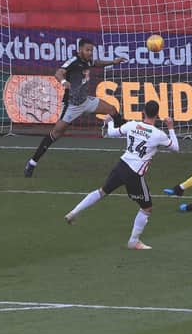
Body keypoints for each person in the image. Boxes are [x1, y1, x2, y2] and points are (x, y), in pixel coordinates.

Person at [64, 100, 179, 250]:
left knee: (102, 191)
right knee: (147, 208)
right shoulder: (158, 134)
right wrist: (170, 128)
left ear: (143, 112)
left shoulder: (132, 125)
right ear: (157, 115)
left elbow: (111, 133)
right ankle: (133, 241)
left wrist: (110, 121)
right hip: (135, 174)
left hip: (121, 165)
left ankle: (74, 212)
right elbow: (176, 148)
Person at [24, 38, 126, 177]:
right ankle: (32, 163)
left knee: (112, 109)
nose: (90, 52)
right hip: (72, 105)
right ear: (80, 50)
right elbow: (58, 73)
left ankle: (125, 134)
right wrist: (64, 81)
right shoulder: (73, 61)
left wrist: (113, 62)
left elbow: (96, 63)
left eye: (91, 50)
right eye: (87, 50)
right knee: (55, 134)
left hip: (86, 101)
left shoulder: (87, 60)